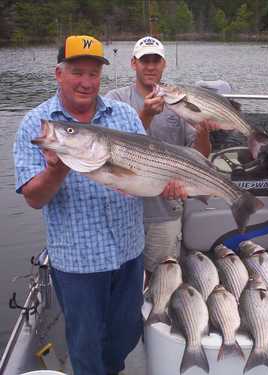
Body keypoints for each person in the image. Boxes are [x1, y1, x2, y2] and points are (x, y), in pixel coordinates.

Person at [13, 35, 155, 375]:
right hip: (78, 261)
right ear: (58, 74)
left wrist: (170, 185)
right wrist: (55, 170)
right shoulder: (38, 124)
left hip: (128, 251)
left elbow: (147, 171)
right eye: (77, 72)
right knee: (85, 345)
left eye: (94, 74)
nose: (86, 82)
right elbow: (34, 198)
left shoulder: (124, 115)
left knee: (127, 333)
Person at [106, 36, 217, 284]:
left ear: (164, 64)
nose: (150, 66)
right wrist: (145, 114)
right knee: (123, 282)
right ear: (133, 63)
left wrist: (203, 133)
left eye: (156, 60)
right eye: (145, 60)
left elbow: (200, 155)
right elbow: (113, 146)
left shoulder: (180, 103)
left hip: (165, 211)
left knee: (161, 279)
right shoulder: (115, 99)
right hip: (122, 213)